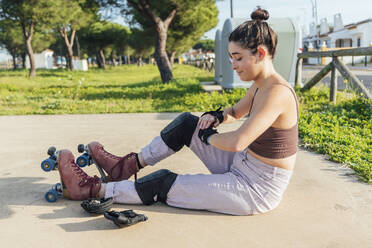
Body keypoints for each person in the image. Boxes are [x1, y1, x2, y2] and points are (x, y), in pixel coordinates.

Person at [57, 7, 299, 216]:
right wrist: (216, 116)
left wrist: (208, 136)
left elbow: (237, 141)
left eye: (238, 58)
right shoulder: (260, 86)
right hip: (241, 165)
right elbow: (235, 112)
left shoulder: (277, 93)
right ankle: (125, 167)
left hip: (255, 188)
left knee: (164, 182)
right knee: (186, 124)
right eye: (231, 57)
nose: (233, 65)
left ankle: (91, 189)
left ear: (261, 53)